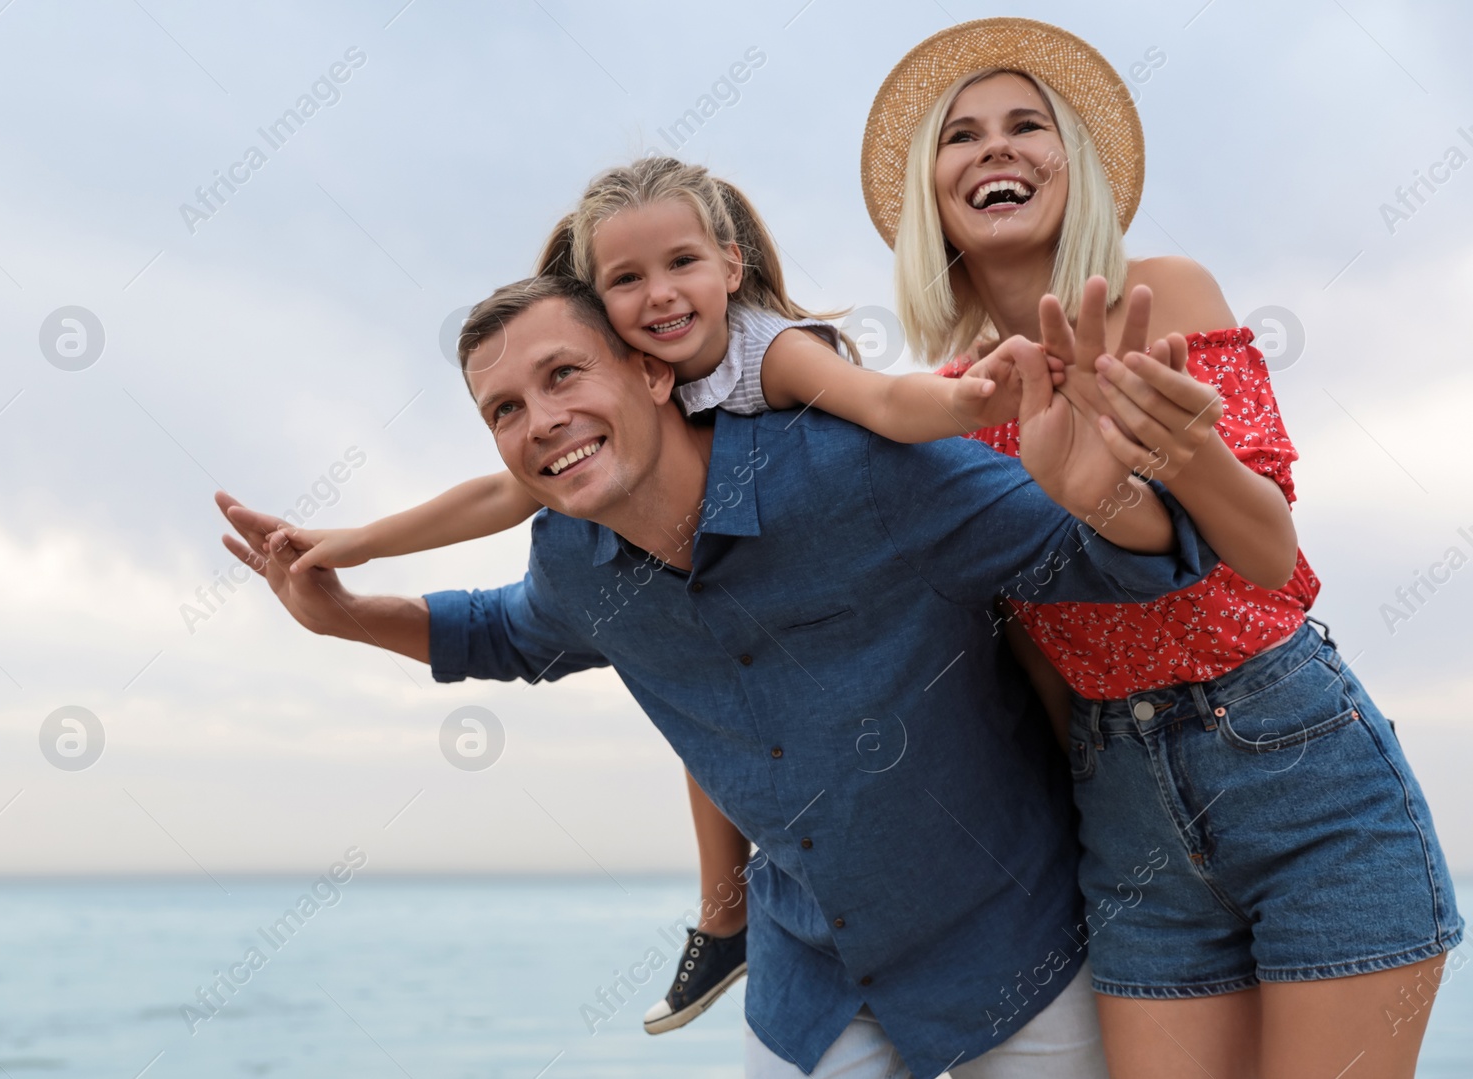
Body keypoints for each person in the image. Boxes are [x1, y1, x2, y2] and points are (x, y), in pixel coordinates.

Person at [217, 268, 1221, 1077]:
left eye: (565, 375)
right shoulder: (574, 559)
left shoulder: (857, 470)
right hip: (812, 980)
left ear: (653, 371)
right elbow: (503, 633)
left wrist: (1118, 475)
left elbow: (1123, 554)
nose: (540, 419)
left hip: (1011, 949)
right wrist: (344, 616)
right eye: (505, 409)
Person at [261, 155, 1058, 1033]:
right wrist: (354, 550)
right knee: (700, 648)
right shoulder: (600, 454)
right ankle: (727, 917)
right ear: (606, 311)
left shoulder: (778, 365)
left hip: (999, 906)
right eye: (628, 280)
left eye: (681, 264)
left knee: (1001, 648)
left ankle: (737, 912)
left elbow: (890, 408)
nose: (661, 295)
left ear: (731, 264)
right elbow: (502, 511)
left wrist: (971, 400)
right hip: (812, 962)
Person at [848, 17, 1461, 1079]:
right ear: (928, 192)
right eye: (961, 135)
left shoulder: (1162, 293)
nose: (995, 147)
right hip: (1118, 801)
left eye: (1025, 125)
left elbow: (1269, 553)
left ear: (1069, 165)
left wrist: (1182, 455)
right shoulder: (942, 402)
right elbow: (1025, 652)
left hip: (1292, 751)